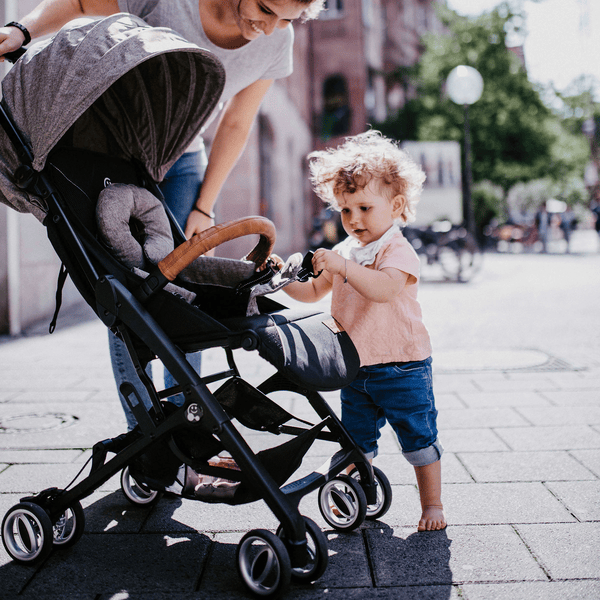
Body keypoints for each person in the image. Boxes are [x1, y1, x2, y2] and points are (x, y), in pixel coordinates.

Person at [0, 0, 325, 429]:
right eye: (267, 9)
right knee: (128, 289)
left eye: (288, 18)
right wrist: (21, 31)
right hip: (116, 156)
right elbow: (81, 3)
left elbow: (236, 123)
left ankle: (186, 423)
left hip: (183, 159)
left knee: (181, 287)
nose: (271, 27)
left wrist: (204, 206)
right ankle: (147, 431)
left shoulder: (278, 41)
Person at [276, 130, 446, 532]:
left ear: (396, 205)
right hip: (355, 368)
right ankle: (355, 494)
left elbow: (385, 289)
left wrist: (342, 268)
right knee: (355, 443)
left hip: (403, 366)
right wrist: (281, 278)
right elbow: (315, 291)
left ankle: (432, 504)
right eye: (345, 209)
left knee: (418, 439)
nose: (354, 220)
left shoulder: (396, 250)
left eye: (365, 208)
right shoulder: (344, 253)